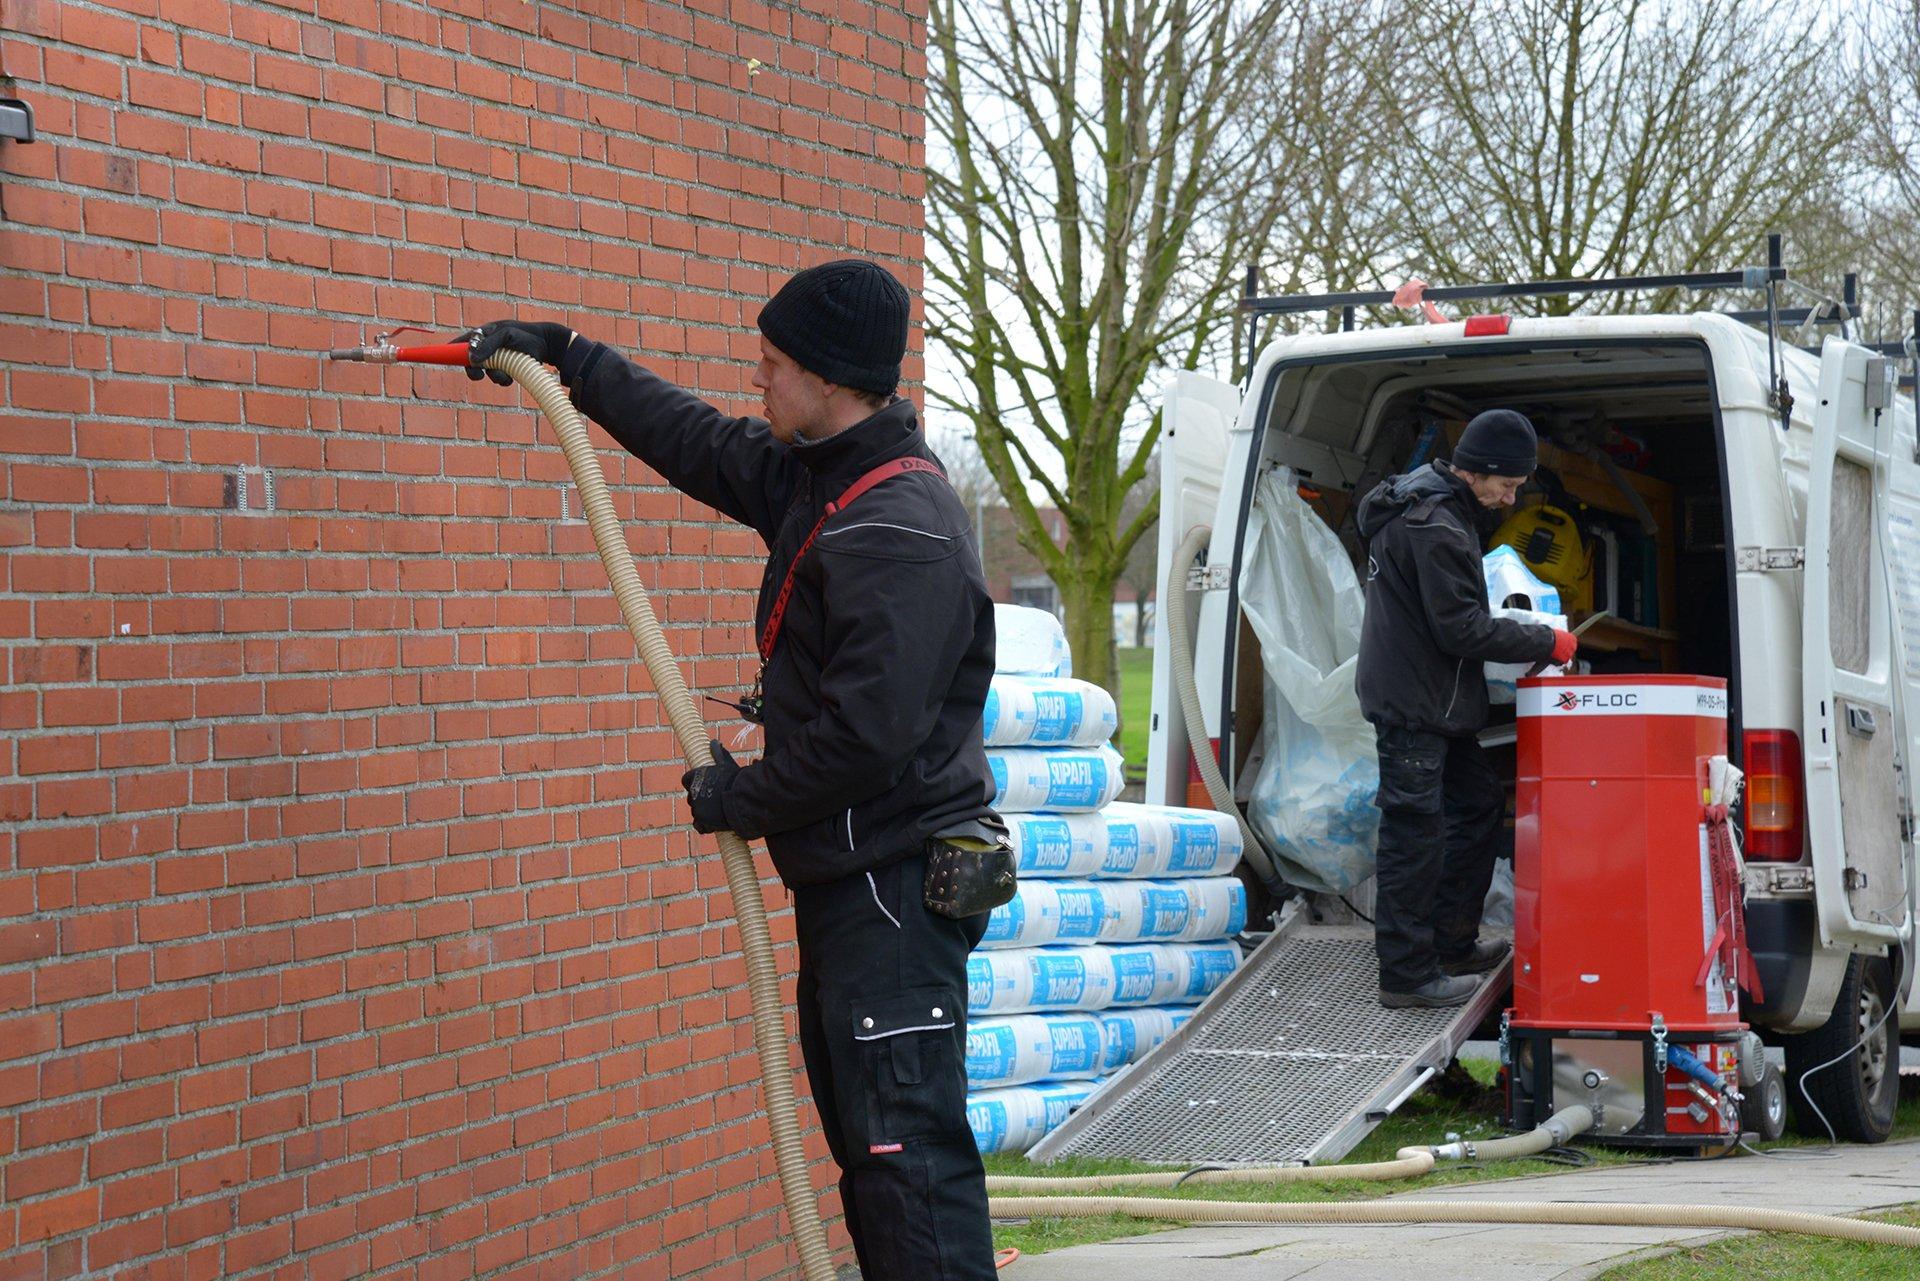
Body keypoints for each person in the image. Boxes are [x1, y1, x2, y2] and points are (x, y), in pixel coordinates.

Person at [465, 259, 1009, 1280]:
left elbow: (868, 740)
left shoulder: (898, 532)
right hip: (856, 888)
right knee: (874, 1150)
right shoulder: (826, 480)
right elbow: (700, 443)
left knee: (906, 1158)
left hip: (892, 893)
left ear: (832, 377)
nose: (755, 381)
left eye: (772, 365)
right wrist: (571, 358)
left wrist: (740, 799)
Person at [1353, 408, 1579, 1008]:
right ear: (1477, 472)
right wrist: (1545, 641)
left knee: (1477, 805)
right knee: (1415, 835)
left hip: (1438, 703)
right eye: (1506, 486)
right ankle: (1406, 975)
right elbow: (1463, 630)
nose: (1508, 501)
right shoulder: (1435, 528)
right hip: (1414, 705)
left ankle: (1451, 942)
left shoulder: (1440, 512)